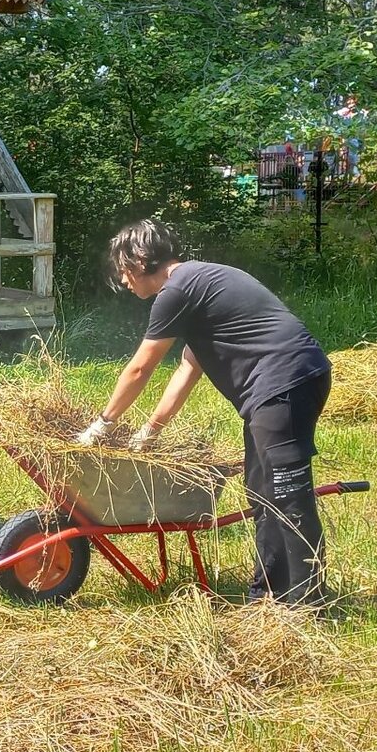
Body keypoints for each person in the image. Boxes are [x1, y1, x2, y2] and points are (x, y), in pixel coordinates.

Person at [76, 219, 332, 606]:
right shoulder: (199, 284)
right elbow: (188, 368)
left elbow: (141, 367)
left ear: (141, 259)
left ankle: (307, 602)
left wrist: (102, 424)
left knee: (287, 494)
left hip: (285, 381)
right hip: (278, 387)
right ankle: (267, 597)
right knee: (262, 492)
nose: (124, 281)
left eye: (124, 270)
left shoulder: (176, 290)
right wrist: (151, 430)